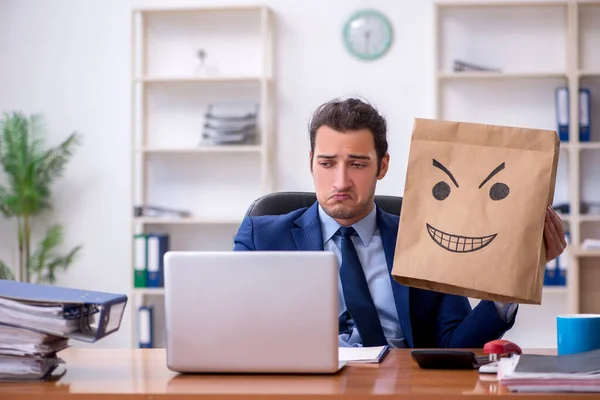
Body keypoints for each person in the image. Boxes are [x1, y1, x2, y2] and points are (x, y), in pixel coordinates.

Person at [233, 97, 567, 348]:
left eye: (358, 164)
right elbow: (236, 331)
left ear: (382, 166)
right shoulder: (261, 236)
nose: (341, 181)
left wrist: (515, 279)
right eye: (327, 163)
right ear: (311, 164)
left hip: (399, 386)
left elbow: (455, 346)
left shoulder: (426, 238)